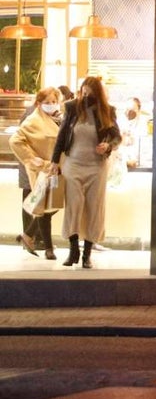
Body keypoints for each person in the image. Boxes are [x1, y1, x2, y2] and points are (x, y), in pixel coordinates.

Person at [48, 75, 122, 269]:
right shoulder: (72, 108)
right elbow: (62, 134)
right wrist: (54, 161)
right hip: (73, 164)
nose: (86, 95)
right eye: (83, 91)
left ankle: (87, 253)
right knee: (73, 205)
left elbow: (117, 137)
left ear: (98, 93)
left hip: (97, 166)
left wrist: (107, 146)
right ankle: (73, 249)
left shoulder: (107, 110)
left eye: (90, 92)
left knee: (94, 208)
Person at [10, 86, 62, 259]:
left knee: (52, 205)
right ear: (39, 103)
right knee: (44, 206)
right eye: (47, 102)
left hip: (57, 170)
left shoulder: (57, 119)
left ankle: (28, 235)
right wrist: (32, 159)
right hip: (42, 171)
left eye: (54, 101)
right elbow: (15, 141)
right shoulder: (33, 120)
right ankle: (48, 249)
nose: (51, 105)